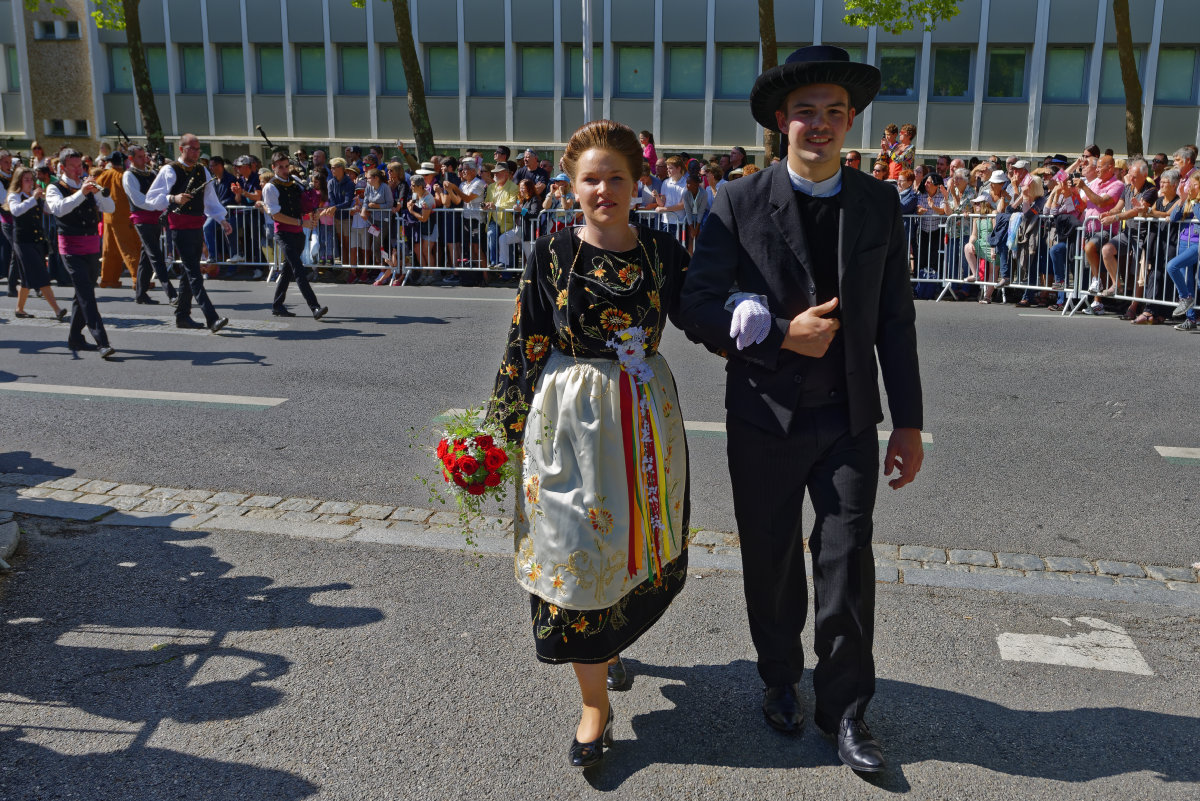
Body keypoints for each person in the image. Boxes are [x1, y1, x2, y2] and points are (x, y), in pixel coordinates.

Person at [680, 46, 923, 774]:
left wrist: (906, 420)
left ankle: (845, 708)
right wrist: (782, 331)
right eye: (805, 112)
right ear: (782, 121)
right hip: (765, 412)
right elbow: (696, 303)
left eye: (833, 113)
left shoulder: (877, 202)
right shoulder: (737, 200)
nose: (819, 124)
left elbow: (896, 319)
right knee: (774, 555)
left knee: (847, 559)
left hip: (848, 416)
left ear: (850, 123)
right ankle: (780, 675)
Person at [487, 118, 691, 770]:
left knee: (633, 542)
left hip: (645, 422)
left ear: (637, 183)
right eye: (591, 179)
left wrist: (764, 324)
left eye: (616, 178)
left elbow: (710, 310)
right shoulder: (549, 255)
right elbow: (526, 344)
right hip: (570, 421)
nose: (603, 189)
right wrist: (495, 436)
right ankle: (594, 704)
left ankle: (609, 648)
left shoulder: (662, 253)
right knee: (575, 553)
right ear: (573, 186)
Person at [144, 133, 232, 332]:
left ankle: (182, 316)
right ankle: (212, 318)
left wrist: (222, 219)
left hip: (196, 225)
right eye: (192, 148)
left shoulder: (202, 170)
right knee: (194, 273)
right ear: (182, 149)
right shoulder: (169, 170)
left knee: (187, 272)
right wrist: (173, 198)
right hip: (179, 227)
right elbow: (150, 198)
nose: (196, 152)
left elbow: (210, 200)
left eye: (198, 148)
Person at [45, 147, 117, 359]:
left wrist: (98, 193)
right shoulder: (54, 188)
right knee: (87, 294)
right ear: (63, 167)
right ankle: (102, 342)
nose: (79, 169)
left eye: (80, 165)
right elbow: (59, 209)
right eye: (74, 166)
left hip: (92, 246)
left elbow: (110, 208)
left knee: (82, 293)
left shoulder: (89, 185)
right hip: (70, 247)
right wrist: (82, 193)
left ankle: (75, 338)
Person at [260, 150, 329, 320]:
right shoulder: (270, 187)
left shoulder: (294, 182)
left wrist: (312, 211)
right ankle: (314, 307)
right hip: (284, 234)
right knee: (298, 269)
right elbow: (275, 215)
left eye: (286, 166)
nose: (284, 170)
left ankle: (277, 305)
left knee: (287, 270)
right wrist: (301, 222)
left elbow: (305, 202)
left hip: (298, 234)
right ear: (273, 167)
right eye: (280, 167)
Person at [5, 166, 67, 320]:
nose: (30, 182)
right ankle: (58, 310)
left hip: (37, 240)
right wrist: (34, 199)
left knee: (26, 279)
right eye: (26, 179)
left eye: (31, 179)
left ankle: (19, 309)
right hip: (23, 242)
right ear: (19, 181)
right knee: (41, 275)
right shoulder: (15, 196)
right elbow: (16, 211)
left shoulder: (35, 196)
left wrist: (57, 201)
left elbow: (49, 209)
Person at [121, 145, 177, 305]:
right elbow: (138, 199)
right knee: (155, 254)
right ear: (131, 158)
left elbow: (161, 191)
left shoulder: (152, 173)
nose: (144, 159)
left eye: (144, 155)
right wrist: (158, 204)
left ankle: (141, 294)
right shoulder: (129, 175)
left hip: (155, 217)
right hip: (142, 218)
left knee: (146, 256)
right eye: (139, 156)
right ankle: (171, 293)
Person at [95, 151, 142, 291]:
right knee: (130, 249)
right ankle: (138, 279)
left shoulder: (104, 174)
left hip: (108, 216)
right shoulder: (125, 176)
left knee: (109, 250)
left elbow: (95, 190)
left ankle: (108, 279)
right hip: (123, 217)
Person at [484, 161, 518, 270]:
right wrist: (485, 205)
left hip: (506, 221)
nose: (495, 175)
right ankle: (494, 262)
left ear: (506, 173)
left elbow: (512, 203)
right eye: (494, 173)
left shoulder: (513, 187)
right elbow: (487, 201)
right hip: (493, 219)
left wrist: (496, 206)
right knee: (491, 235)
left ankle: (508, 273)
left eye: (497, 173)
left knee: (507, 247)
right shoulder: (491, 187)